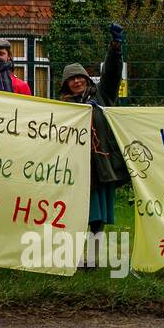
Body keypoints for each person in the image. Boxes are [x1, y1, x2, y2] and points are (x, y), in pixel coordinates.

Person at [59, 23, 128, 266]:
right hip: (76, 168)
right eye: (71, 79)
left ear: (87, 78)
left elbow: (111, 72)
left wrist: (115, 47)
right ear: (65, 84)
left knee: (97, 215)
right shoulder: (61, 106)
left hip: (100, 165)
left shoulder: (102, 95)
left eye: (80, 77)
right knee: (77, 212)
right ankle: (73, 255)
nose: (76, 81)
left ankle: (92, 257)